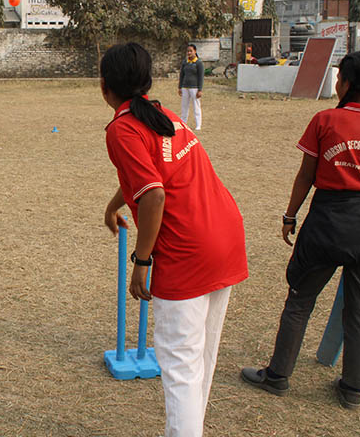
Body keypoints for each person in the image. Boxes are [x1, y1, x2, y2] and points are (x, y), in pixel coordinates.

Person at [241, 51, 360, 410]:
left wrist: (289, 215)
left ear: (345, 82)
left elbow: (306, 176)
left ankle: (278, 376)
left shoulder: (325, 120)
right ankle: (352, 389)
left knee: (300, 301)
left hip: (326, 222)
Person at [101, 42, 247, 437]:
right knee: (198, 361)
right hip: (226, 237)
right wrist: (114, 204)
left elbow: (153, 194)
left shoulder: (122, 127)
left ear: (105, 88)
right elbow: (148, 175)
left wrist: (142, 262)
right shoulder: (163, 115)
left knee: (181, 370)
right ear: (147, 83)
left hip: (189, 252)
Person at [178, 43, 204, 130]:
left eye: (191, 51)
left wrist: (200, 89)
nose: (189, 53)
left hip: (194, 88)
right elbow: (181, 75)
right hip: (185, 87)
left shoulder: (198, 63)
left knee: (196, 106)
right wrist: (180, 87)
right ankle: (183, 123)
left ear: (195, 51)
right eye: (188, 51)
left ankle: (198, 125)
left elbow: (201, 77)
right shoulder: (185, 62)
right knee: (184, 106)